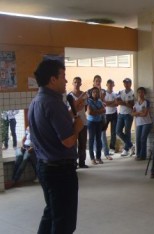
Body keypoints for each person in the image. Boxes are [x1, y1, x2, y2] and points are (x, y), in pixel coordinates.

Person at [28, 59, 84, 234]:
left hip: (46, 167)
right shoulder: (53, 103)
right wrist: (78, 127)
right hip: (61, 171)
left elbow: (53, 125)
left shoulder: (37, 100)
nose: (66, 81)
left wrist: (71, 110)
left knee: (52, 214)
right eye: (63, 76)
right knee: (64, 223)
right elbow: (68, 140)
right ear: (53, 79)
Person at [68, 76, 89, 168]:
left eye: (78, 82)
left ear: (81, 84)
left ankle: (82, 162)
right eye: (75, 82)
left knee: (82, 143)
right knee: (73, 144)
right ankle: (74, 162)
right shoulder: (69, 96)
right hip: (72, 123)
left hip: (83, 122)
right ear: (72, 83)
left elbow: (85, 108)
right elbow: (68, 109)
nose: (77, 84)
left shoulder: (84, 95)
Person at [132, 87, 153, 160]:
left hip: (147, 123)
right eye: (139, 92)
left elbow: (145, 114)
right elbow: (132, 113)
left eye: (142, 92)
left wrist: (137, 113)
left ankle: (142, 156)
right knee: (138, 139)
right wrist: (139, 113)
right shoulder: (136, 103)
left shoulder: (146, 102)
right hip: (139, 123)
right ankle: (138, 154)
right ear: (137, 93)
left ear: (145, 93)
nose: (141, 94)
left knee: (143, 138)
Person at [116, 78, 135, 156]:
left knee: (127, 132)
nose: (126, 84)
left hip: (129, 115)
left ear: (130, 84)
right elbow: (117, 101)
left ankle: (126, 149)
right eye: (125, 83)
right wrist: (126, 102)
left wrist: (124, 103)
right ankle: (131, 145)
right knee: (118, 131)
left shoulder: (133, 93)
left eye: (127, 83)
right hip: (121, 114)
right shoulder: (120, 92)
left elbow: (132, 105)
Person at [87, 87, 106, 165]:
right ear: (91, 93)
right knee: (91, 140)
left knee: (99, 140)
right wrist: (99, 111)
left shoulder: (99, 101)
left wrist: (96, 111)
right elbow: (90, 112)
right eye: (94, 92)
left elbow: (104, 110)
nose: (96, 93)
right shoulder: (89, 101)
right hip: (91, 122)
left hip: (99, 122)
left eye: (97, 92)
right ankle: (92, 158)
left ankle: (98, 157)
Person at [102, 79, 118, 157]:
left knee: (113, 132)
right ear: (106, 84)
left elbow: (116, 104)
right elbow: (104, 103)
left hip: (114, 114)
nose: (110, 85)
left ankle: (112, 148)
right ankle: (104, 148)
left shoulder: (115, 94)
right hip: (106, 114)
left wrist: (109, 103)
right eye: (109, 84)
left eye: (112, 84)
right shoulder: (104, 93)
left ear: (113, 85)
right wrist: (112, 103)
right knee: (103, 131)